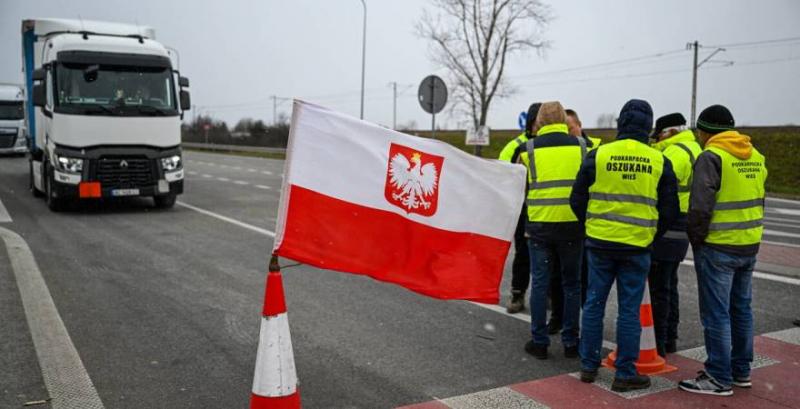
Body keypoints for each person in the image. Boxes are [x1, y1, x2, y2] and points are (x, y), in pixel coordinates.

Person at [571, 99, 678, 392]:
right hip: (636, 247)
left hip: (600, 244)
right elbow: (671, 209)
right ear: (648, 127)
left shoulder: (599, 154)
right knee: (629, 312)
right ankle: (625, 373)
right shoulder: (658, 159)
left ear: (620, 123)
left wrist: (591, 227)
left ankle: (588, 366)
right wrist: (651, 235)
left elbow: (577, 198)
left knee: (593, 305)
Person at [679, 105, 767, 396]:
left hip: (718, 246)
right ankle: (741, 371)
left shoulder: (711, 156)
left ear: (706, 132)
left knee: (716, 313)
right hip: (748, 244)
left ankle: (718, 376)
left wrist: (697, 239)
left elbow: (700, 207)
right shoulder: (755, 155)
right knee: (741, 309)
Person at [519, 101, 586, 360]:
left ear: (539, 122)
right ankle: (571, 342)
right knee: (572, 285)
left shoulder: (528, 150)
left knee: (540, 284)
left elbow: (520, 189)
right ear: (563, 120)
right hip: (572, 227)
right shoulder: (582, 147)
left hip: (539, 228)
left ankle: (540, 341)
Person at [649, 113, 702, 356]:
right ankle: (669, 336)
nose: (656, 138)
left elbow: (655, 186)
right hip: (684, 222)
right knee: (669, 282)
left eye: (659, 134)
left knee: (660, 285)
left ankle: (659, 342)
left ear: (669, 132)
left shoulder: (673, 154)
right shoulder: (695, 148)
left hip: (669, 222)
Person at [548, 109, 600, 334]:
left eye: (571, 128)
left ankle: (579, 322)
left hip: (587, 223)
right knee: (558, 277)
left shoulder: (593, 148)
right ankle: (559, 318)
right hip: (566, 221)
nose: (569, 132)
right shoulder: (563, 148)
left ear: (579, 124)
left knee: (582, 278)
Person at [499, 102, 542, 314]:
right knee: (523, 254)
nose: (538, 126)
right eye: (535, 122)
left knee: (548, 256)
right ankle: (517, 294)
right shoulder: (516, 145)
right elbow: (501, 174)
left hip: (545, 210)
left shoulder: (551, 144)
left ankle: (550, 296)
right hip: (523, 210)